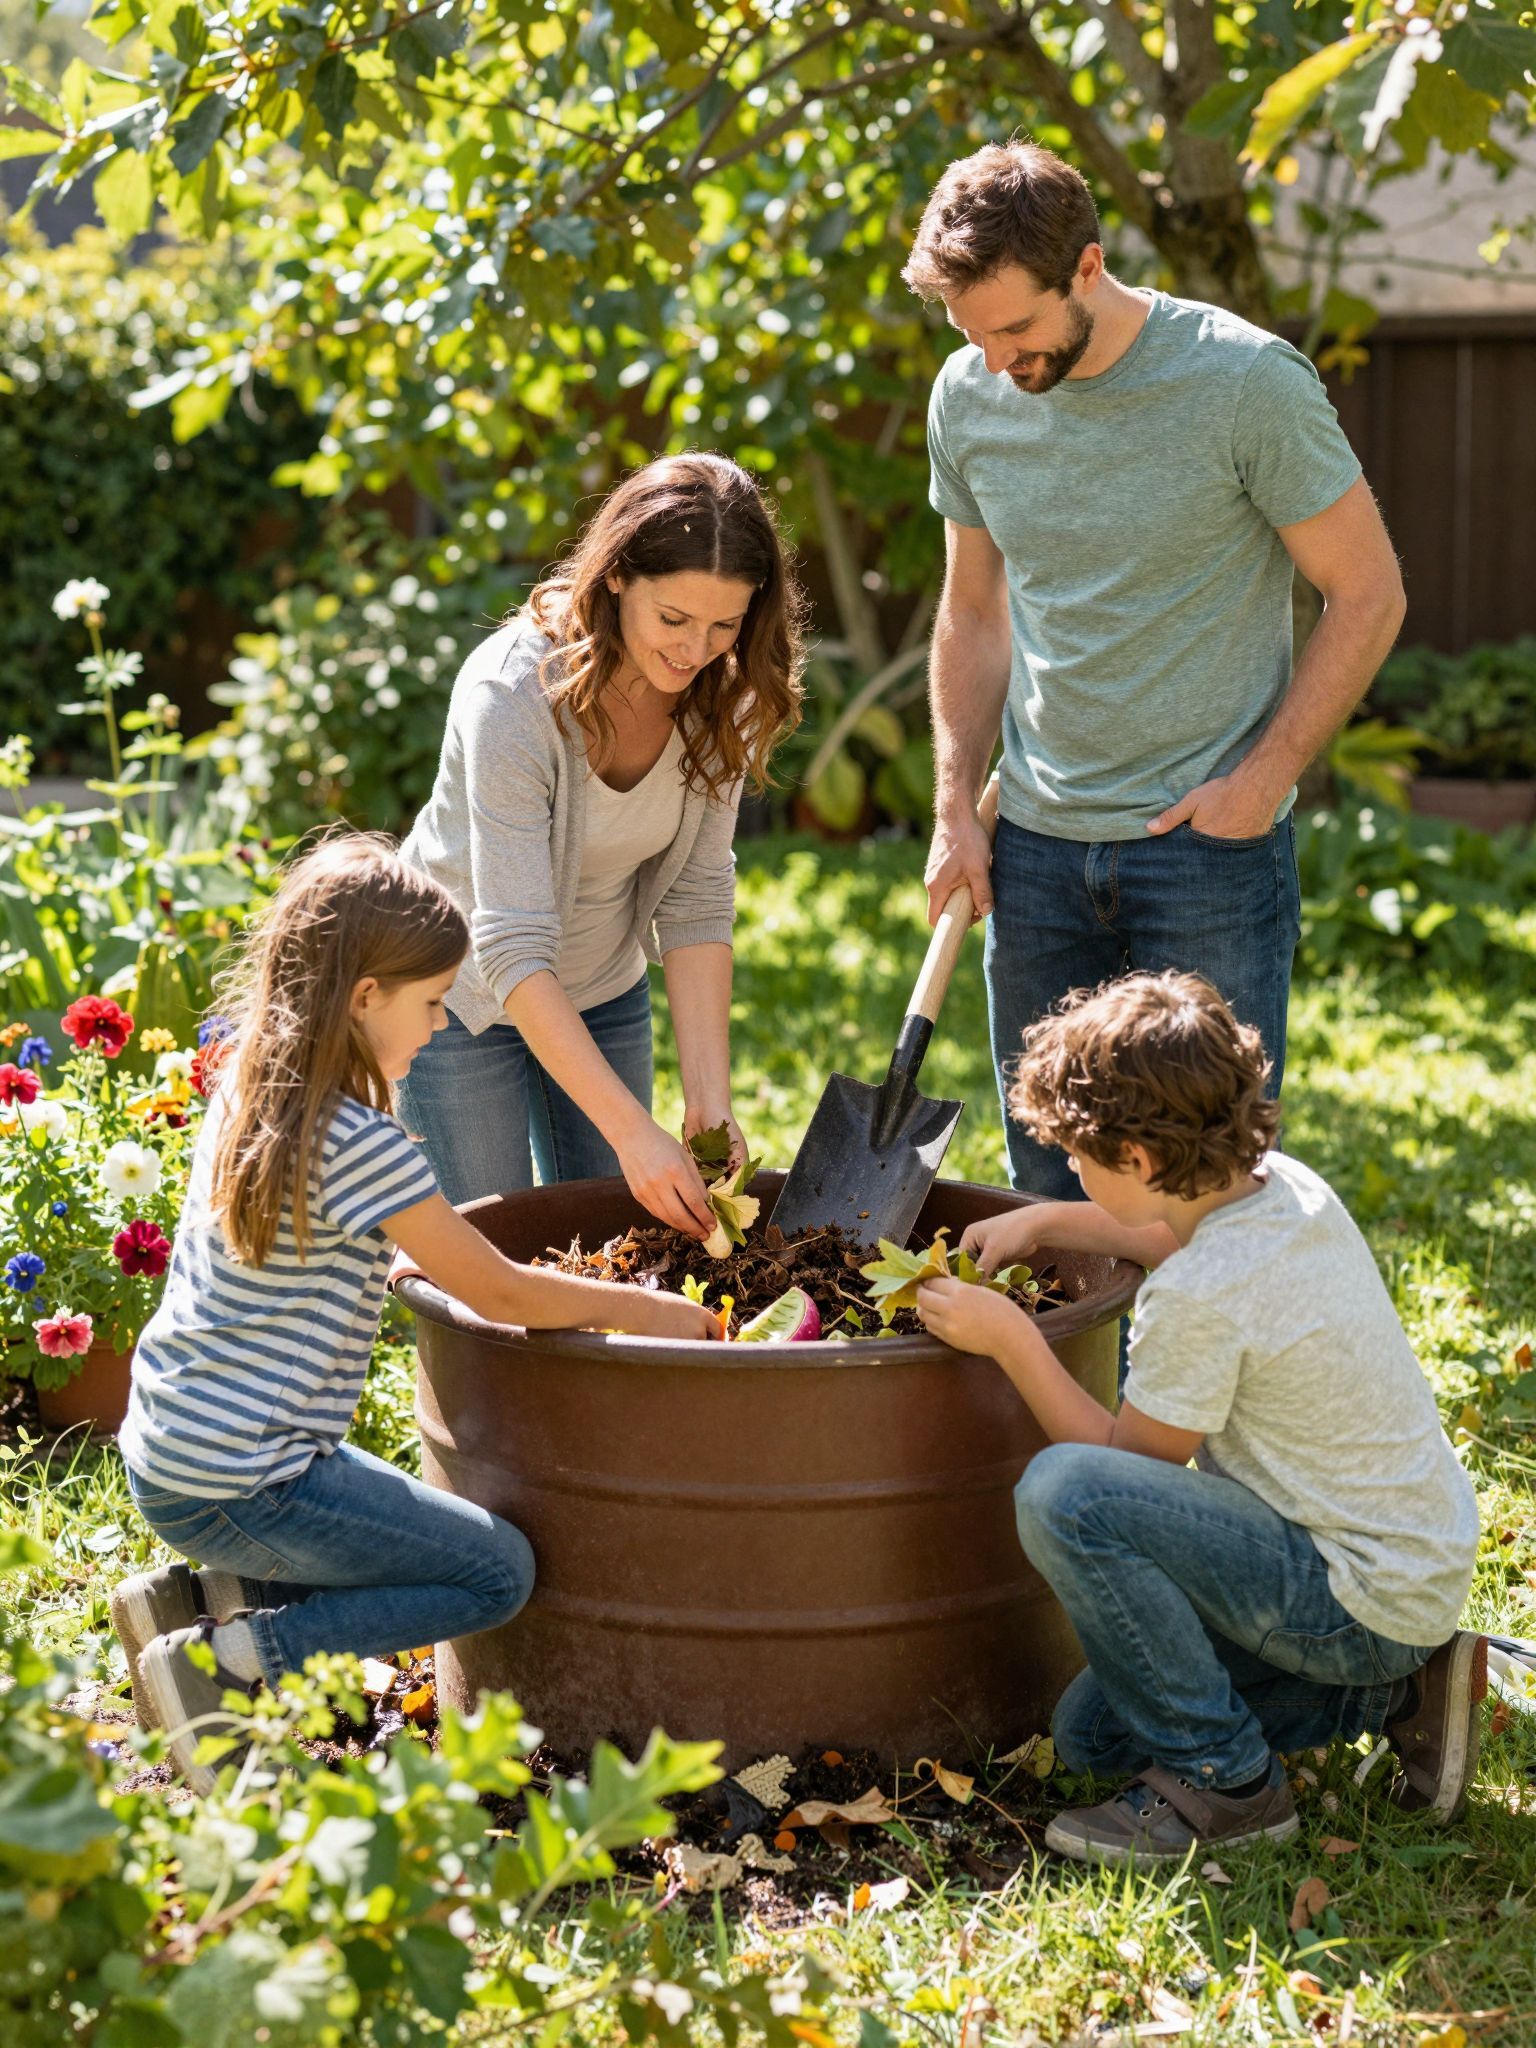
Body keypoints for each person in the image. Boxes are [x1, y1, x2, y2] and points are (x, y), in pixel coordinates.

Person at [111, 837, 717, 1796]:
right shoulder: (363, 1143)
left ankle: (202, 1598)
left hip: (174, 1449)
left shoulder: (255, 1091)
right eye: (433, 1002)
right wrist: (647, 1311)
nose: (441, 1025)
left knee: (402, 1524)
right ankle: (225, 1664)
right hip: (248, 1478)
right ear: (364, 998)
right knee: (493, 1572)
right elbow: (504, 1293)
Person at [903, 141, 1407, 1200]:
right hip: (1036, 848)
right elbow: (975, 610)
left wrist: (1262, 780)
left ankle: (1195, 1375)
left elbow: (1368, 593)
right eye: (971, 334)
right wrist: (955, 802)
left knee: (1203, 1188)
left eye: (1016, 329)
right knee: (1050, 1180)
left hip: (1204, 852)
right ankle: (1081, 1377)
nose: (996, 361)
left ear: (1087, 268)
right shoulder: (971, 393)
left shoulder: (1243, 382)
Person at [914, 971, 1483, 1865]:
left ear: (1137, 1162)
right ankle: (1401, 1691)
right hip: (1403, 1568)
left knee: (1066, 1496)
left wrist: (1014, 1341)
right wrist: (1049, 1222)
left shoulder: (1201, 1296)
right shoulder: (1279, 1188)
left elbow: (1125, 1467)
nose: (1071, 1167)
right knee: (1092, 1738)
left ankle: (1228, 1786)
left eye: (1078, 1158)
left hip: (1349, 1588)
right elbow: (1164, 1228)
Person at [398, 452, 805, 1232]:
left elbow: (695, 896)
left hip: (602, 986)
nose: (696, 650)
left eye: (725, 624)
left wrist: (707, 1103)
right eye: (674, 620)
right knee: (497, 1250)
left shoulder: (727, 693)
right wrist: (632, 1133)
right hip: (457, 1001)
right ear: (616, 577)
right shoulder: (513, 697)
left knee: (621, 1248)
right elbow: (511, 943)